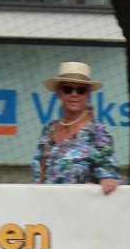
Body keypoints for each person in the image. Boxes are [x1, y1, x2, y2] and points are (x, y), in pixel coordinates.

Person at [33, 61, 121, 194]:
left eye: (81, 90)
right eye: (68, 89)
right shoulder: (48, 129)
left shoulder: (98, 133)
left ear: (88, 95)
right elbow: (38, 175)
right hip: (45, 208)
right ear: (59, 93)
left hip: (79, 210)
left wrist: (104, 183)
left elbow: (110, 177)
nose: (74, 94)